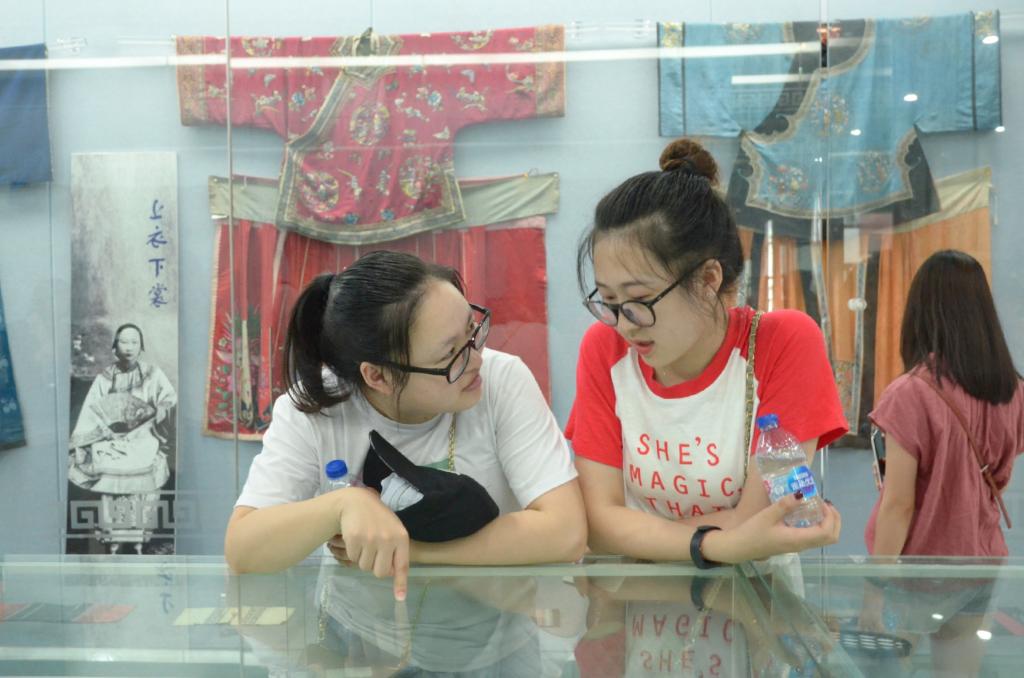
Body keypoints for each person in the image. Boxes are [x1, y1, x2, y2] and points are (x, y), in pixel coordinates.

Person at [225, 251, 586, 600]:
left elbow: (566, 532)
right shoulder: (314, 410)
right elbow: (243, 551)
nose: (476, 359)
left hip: (494, 623)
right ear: (378, 376)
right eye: (450, 354)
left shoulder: (502, 380)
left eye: (472, 330)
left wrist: (416, 551)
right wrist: (343, 504)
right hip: (358, 632)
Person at [566, 138, 846, 566]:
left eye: (639, 300)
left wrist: (635, 534)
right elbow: (598, 525)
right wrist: (717, 543)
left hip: (753, 598)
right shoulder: (604, 349)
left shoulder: (783, 343)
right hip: (638, 601)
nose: (624, 324)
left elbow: (759, 522)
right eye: (609, 302)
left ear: (708, 279)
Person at [859, 250, 1024, 675]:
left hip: (917, 569)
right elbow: (995, 480)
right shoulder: (1012, 390)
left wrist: (873, 590)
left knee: (889, 670)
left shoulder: (910, 393)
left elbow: (898, 506)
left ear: (921, 311)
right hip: (978, 561)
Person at [67, 322, 177, 553]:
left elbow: (169, 399)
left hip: (143, 435)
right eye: (124, 342)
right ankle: (113, 537)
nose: (129, 347)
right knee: (104, 459)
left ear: (141, 346)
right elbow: (91, 412)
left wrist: (161, 409)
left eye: (134, 342)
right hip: (111, 439)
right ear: (115, 346)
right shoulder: (104, 379)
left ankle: (139, 537)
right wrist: (105, 431)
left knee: (147, 458)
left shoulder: (153, 374)